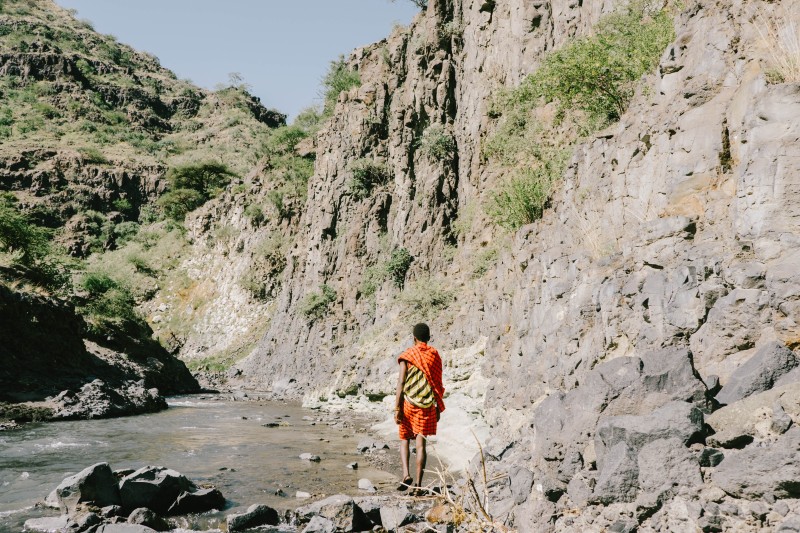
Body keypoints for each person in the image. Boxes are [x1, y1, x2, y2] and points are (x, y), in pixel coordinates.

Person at [393, 322, 445, 496]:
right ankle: (418, 486)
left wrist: (397, 408)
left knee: (404, 439)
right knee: (421, 445)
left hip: (408, 403)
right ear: (428, 338)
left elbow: (401, 382)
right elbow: (437, 382)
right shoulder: (434, 355)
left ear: (414, 338)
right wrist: (437, 406)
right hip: (426, 405)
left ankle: (406, 475)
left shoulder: (408, 355)